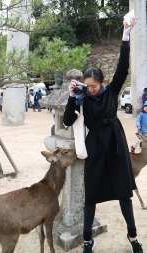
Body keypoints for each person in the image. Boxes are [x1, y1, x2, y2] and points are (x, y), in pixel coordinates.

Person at [63, 18, 143, 253]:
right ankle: (88, 240)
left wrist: (126, 35)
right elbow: (68, 120)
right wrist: (71, 97)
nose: (90, 90)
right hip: (96, 145)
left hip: (116, 144)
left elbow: (123, 67)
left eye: (94, 86)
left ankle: (133, 237)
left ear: (102, 82)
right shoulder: (82, 98)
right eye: (87, 86)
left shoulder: (112, 91)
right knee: (91, 195)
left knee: (124, 194)